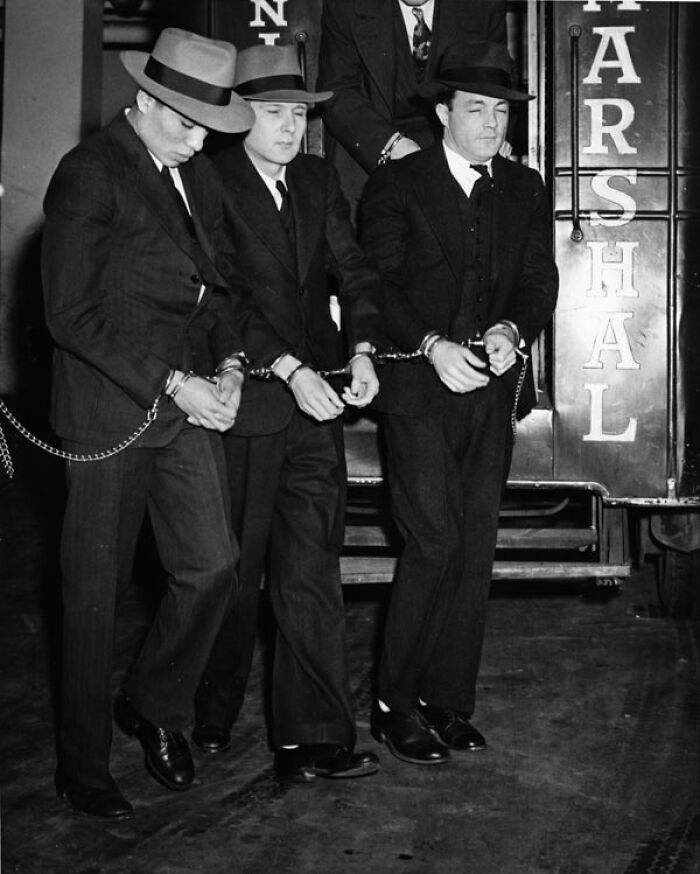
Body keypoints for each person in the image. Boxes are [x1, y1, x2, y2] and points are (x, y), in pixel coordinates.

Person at [42, 28, 262, 820]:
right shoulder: (89, 175)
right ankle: (81, 767)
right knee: (93, 594)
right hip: (111, 413)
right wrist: (175, 382)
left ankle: (154, 703)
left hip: (186, 408)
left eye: (208, 124)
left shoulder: (190, 175)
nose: (199, 138)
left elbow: (222, 291)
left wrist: (232, 366)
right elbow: (70, 315)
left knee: (212, 567)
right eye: (186, 121)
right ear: (142, 101)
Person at [359, 40, 558, 765]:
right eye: (475, 109)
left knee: (474, 546)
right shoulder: (399, 184)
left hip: (491, 392)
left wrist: (512, 328)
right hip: (418, 387)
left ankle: (448, 702)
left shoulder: (524, 189)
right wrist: (435, 343)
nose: (490, 124)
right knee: (434, 539)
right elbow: (377, 286)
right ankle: (393, 702)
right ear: (443, 112)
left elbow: (539, 280)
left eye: (500, 112)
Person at [193, 44, 384, 783]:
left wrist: (363, 347)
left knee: (310, 568)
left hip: (316, 405)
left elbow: (356, 268)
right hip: (247, 402)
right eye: (274, 113)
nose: (290, 127)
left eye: (299, 114)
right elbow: (225, 297)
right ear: (239, 115)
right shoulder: (209, 182)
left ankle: (314, 737)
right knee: (232, 570)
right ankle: (204, 709)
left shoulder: (315, 178)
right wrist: (290, 367)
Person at [317, 0, 507, 212]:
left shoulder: (483, 6)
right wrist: (391, 146)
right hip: (373, 145)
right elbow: (337, 92)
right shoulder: (347, 6)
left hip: (454, 145)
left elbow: (498, 85)